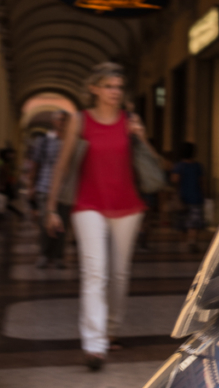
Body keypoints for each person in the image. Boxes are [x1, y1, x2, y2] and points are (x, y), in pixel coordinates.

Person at [46, 63, 152, 371]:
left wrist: (141, 137)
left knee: (118, 275)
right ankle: (94, 345)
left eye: (119, 87)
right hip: (87, 204)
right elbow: (63, 164)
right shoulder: (79, 121)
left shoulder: (130, 121)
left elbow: (151, 164)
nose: (115, 92)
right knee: (95, 273)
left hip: (127, 205)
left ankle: (111, 328)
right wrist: (51, 207)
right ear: (93, 89)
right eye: (109, 86)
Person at [28, 111, 70, 269]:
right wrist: (31, 186)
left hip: (65, 189)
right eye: (60, 119)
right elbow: (35, 164)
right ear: (53, 121)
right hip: (45, 186)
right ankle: (44, 255)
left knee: (63, 224)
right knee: (45, 222)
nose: (62, 123)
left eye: (65, 120)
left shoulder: (70, 140)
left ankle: (58, 256)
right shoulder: (44, 140)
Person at [171, 142, 206, 252]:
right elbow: (202, 182)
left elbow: (174, 180)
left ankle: (183, 244)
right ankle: (192, 241)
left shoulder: (179, 166)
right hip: (196, 198)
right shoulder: (198, 166)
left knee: (182, 223)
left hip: (182, 198)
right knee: (194, 223)